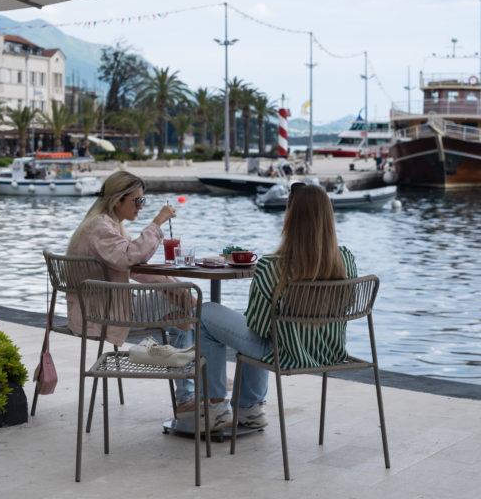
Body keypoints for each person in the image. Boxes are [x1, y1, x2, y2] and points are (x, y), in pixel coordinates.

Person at [197, 182, 358, 430]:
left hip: (286, 355)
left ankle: (217, 407)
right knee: (252, 327)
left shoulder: (272, 266)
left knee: (206, 313)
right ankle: (250, 410)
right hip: (329, 352)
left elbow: (259, 328)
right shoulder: (346, 258)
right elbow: (348, 305)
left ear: (290, 217)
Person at [66, 171, 198, 414]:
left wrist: (177, 288)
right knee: (186, 310)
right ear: (118, 200)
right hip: (103, 312)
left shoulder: (107, 224)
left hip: (103, 305)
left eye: (143, 201)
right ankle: (195, 389)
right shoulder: (100, 228)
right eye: (138, 201)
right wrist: (157, 223)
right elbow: (130, 257)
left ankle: (192, 391)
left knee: (182, 316)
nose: (141, 206)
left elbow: (133, 267)